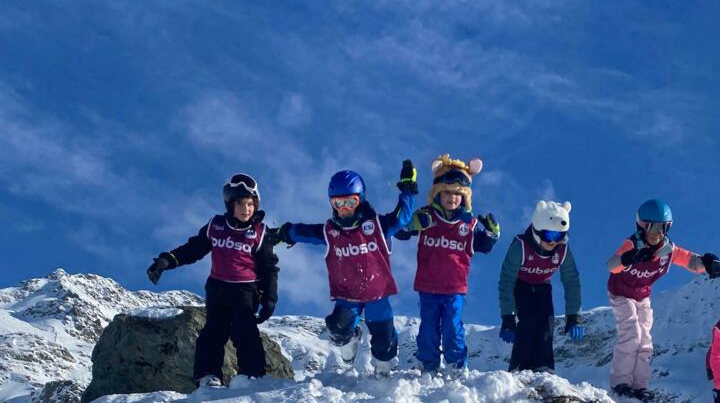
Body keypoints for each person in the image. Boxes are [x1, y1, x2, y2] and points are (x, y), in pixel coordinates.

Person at [275, 161, 418, 375]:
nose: (344, 208)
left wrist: (407, 189)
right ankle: (350, 340)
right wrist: (284, 233)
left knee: (384, 341)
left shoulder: (377, 226)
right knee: (337, 328)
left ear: (360, 200)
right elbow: (305, 232)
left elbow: (402, 217)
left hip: (377, 293)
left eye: (350, 202)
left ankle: (383, 370)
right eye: (338, 203)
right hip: (348, 295)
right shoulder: (331, 232)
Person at [146, 173, 278, 387]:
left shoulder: (259, 233)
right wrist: (166, 261)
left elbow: (269, 268)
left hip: (245, 291)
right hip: (217, 289)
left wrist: (269, 299)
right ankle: (207, 376)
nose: (246, 209)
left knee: (244, 330)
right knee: (213, 332)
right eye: (240, 204)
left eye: (250, 204)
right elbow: (194, 249)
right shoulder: (216, 226)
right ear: (229, 204)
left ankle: (252, 375)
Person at [607, 198, 720, 402]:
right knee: (632, 334)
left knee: (645, 341)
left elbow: (690, 261)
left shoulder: (668, 251)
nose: (656, 233)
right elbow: (612, 266)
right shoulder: (632, 245)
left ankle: (639, 386)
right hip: (621, 293)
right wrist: (628, 258)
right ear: (641, 226)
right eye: (650, 227)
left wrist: (707, 263)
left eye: (662, 227)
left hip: (642, 296)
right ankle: (621, 382)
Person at [394, 154, 500, 373]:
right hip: (428, 286)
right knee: (429, 328)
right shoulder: (427, 217)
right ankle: (428, 365)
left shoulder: (468, 225)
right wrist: (412, 224)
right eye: (447, 193)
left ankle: (456, 366)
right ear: (437, 194)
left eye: (457, 194)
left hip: (454, 288)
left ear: (465, 197)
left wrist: (492, 233)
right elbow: (401, 232)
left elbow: (485, 246)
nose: (452, 198)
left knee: (452, 327)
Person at [498, 200, 584, 372]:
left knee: (546, 324)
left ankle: (543, 366)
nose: (553, 242)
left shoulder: (562, 251)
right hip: (520, 285)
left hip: (543, 286)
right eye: (549, 235)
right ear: (537, 232)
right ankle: (519, 366)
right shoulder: (520, 246)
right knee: (528, 322)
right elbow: (506, 280)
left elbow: (571, 281)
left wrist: (574, 316)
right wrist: (508, 317)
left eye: (559, 236)